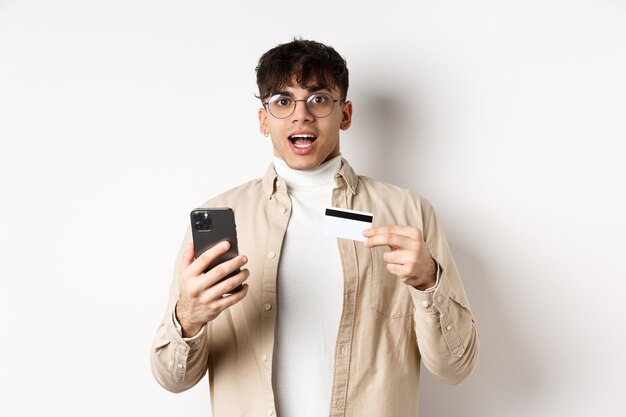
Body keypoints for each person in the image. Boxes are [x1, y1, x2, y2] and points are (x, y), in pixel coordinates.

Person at [151, 39, 479, 417]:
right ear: (263, 119)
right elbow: (172, 379)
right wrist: (188, 317)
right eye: (282, 101)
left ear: (346, 114)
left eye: (319, 99)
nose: (301, 115)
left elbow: (457, 368)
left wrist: (428, 282)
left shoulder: (408, 213)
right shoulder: (222, 217)